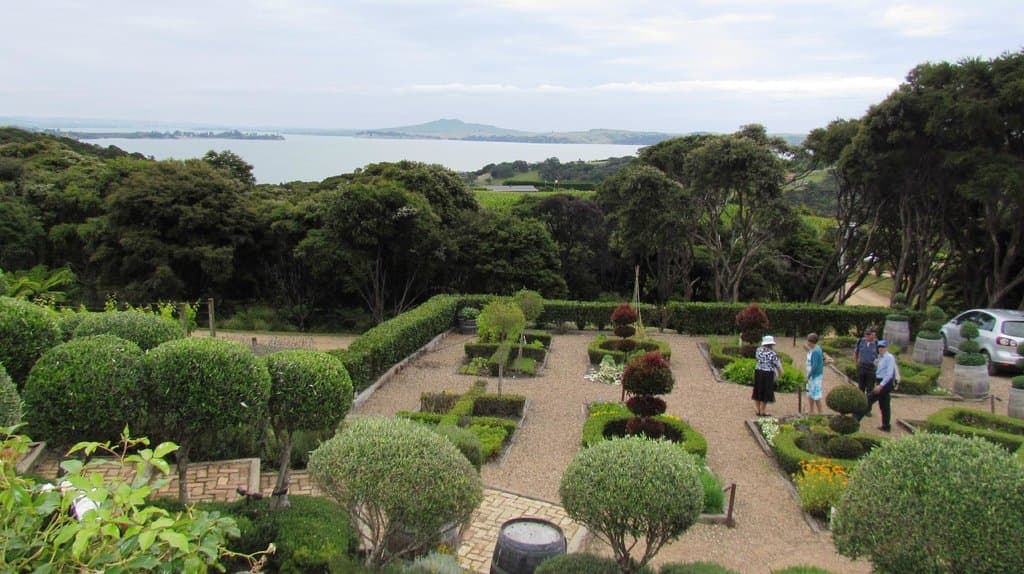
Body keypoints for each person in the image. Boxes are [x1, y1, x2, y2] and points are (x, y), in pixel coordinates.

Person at [857, 339, 896, 432]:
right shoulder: (880, 357)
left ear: (886, 348)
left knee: (868, 399)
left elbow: (889, 374)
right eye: (879, 347)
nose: (880, 349)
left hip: (885, 383)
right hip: (880, 381)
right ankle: (886, 426)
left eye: (882, 347)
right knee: (884, 404)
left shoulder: (889, 357)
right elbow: (878, 370)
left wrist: (881, 385)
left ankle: (855, 419)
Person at [752, 335, 783, 417]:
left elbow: (757, 359)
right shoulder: (772, 353)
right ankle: (762, 411)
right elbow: (777, 365)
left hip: (758, 371)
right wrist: (780, 374)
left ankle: (758, 409)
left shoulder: (758, 350)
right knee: (766, 391)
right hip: (768, 373)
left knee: (758, 389)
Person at [853, 328, 879, 415]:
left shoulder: (877, 344)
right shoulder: (861, 341)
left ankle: (867, 409)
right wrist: (856, 363)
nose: (866, 336)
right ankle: (859, 406)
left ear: (874, 335)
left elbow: (880, 357)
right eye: (866, 334)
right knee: (860, 388)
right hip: (862, 367)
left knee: (870, 390)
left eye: (869, 334)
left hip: (871, 369)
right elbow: (856, 352)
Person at [805, 333, 824, 414]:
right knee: (810, 393)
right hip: (811, 374)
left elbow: (815, 366)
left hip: (815, 376)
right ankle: (811, 410)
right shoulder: (814, 348)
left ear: (812, 342)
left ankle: (820, 412)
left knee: (816, 395)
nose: (807, 343)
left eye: (808, 341)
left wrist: (808, 376)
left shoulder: (816, 351)